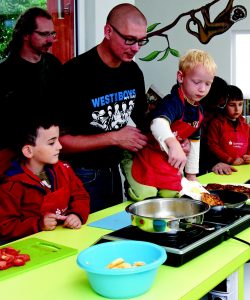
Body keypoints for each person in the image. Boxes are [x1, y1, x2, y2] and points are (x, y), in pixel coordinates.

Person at [59, 4, 148, 212]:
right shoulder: (73, 74)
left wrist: (170, 139)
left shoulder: (133, 72)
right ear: (108, 31)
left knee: (112, 232)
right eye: (129, 39)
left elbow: (144, 122)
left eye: (141, 40)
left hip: (114, 171)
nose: (135, 48)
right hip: (80, 175)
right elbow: (60, 143)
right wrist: (114, 137)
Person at [121, 49, 217, 201]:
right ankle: (127, 160)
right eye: (197, 82)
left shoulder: (199, 111)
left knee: (171, 195)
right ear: (180, 77)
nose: (202, 89)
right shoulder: (173, 102)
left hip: (164, 157)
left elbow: (194, 142)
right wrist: (173, 144)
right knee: (145, 195)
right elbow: (157, 123)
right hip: (145, 152)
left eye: (208, 83)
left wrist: (192, 176)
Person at [0, 117, 90, 244]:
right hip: (33, 248)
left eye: (58, 140)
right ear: (28, 151)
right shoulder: (12, 185)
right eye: (51, 142)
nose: (60, 146)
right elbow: (5, 227)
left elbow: (81, 196)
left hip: (68, 240)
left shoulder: (63, 169)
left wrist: (77, 215)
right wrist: (38, 224)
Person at [0, 7, 62, 174]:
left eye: (52, 34)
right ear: (26, 35)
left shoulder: (53, 64)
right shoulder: (5, 73)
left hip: (51, 154)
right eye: (44, 34)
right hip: (17, 161)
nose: (50, 40)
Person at [206, 85, 250, 168]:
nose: (237, 109)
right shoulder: (216, 123)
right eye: (232, 105)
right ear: (223, 105)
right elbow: (213, 146)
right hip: (223, 168)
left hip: (244, 168)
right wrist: (229, 159)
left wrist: (248, 156)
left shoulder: (246, 126)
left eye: (240, 104)